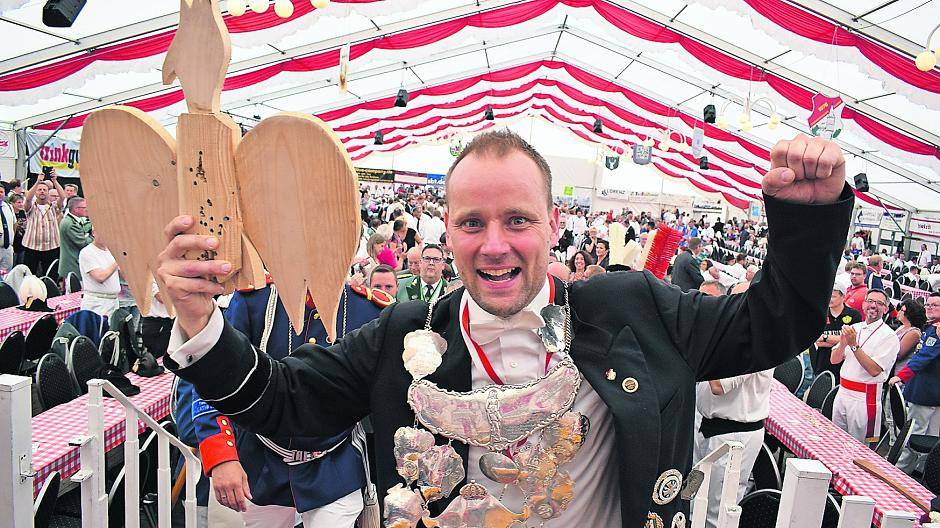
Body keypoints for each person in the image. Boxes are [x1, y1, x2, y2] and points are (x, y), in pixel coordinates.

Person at [160, 131, 852, 527]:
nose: (494, 245)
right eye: (472, 223)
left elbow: (772, 324)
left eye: (517, 220)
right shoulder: (404, 332)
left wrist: (808, 220)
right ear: (448, 230)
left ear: (553, 223)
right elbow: (286, 400)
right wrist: (199, 324)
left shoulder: (636, 309)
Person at [176, 280, 393, 528]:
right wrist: (222, 456)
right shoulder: (254, 300)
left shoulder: (369, 309)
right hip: (260, 463)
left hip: (335, 467)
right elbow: (215, 377)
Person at [693, 278, 772, 528]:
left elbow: (718, 386)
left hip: (734, 433)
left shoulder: (758, 339)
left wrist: (701, 338)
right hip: (706, 423)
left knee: (718, 510)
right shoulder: (730, 333)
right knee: (695, 498)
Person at [830, 289, 899, 444]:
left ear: (885, 309)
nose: (873, 305)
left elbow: (874, 370)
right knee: (836, 442)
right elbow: (834, 360)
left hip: (864, 398)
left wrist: (853, 345)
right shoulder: (855, 327)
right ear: (863, 304)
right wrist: (843, 343)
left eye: (879, 303)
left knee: (859, 447)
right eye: (870, 301)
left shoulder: (889, 336)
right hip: (843, 392)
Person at [891, 292, 940, 474]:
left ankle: (900, 472)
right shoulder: (930, 328)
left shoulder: (936, 330)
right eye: (928, 305)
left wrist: (901, 376)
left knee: (914, 435)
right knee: (931, 437)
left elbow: (923, 357)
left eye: (935, 305)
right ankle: (922, 472)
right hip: (929, 390)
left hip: (925, 391)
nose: (930, 308)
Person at [810, 283, 862, 381]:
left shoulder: (854, 315)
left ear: (843, 297)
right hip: (821, 363)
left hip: (844, 365)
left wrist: (825, 338)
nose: (829, 299)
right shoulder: (821, 313)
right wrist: (842, 342)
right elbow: (818, 341)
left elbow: (852, 341)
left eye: (833, 296)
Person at [22, 170, 66, 275]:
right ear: (35, 192)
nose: (42, 191)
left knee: (51, 275)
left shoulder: (54, 206)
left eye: (44, 190)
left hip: (51, 247)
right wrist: (38, 181)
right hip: (31, 247)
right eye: (39, 190)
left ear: (48, 192)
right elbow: (28, 199)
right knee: (30, 275)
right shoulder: (31, 207)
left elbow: (63, 197)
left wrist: (55, 181)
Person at [78, 228, 121, 317]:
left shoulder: (111, 250)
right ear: (94, 233)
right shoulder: (87, 252)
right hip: (98, 303)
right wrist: (118, 260)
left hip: (114, 301)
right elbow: (100, 277)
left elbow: (121, 275)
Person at [58, 196, 93, 280]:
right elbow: (84, 243)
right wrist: (93, 236)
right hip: (72, 266)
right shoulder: (70, 224)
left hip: (73, 264)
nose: (87, 210)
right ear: (76, 209)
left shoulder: (72, 220)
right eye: (85, 207)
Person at [893, 299, 926, 373]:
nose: (899, 312)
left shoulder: (914, 333)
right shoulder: (902, 327)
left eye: (902, 310)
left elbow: (898, 354)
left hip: (898, 372)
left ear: (909, 314)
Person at [0, 184, 15, 270]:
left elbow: (14, 225)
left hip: (7, 249)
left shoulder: (9, 207)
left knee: (6, 275)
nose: (0, 194)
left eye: (1, 192)